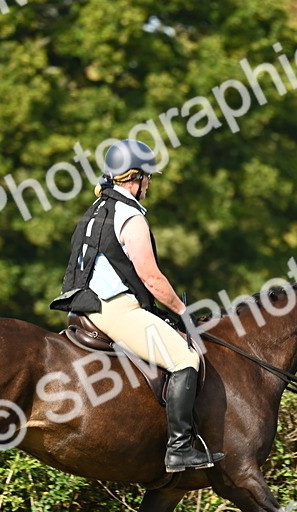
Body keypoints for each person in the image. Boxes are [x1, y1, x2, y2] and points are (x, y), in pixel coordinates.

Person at [50, 139, 224, 473]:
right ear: (137, 178)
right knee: (186, 358)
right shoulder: (129, 216)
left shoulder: (96, 210)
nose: (150, 185)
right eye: (149, 178)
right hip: (113, 309)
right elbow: (152, 278)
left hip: (82, 304)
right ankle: (179, 450)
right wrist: (182, 311)